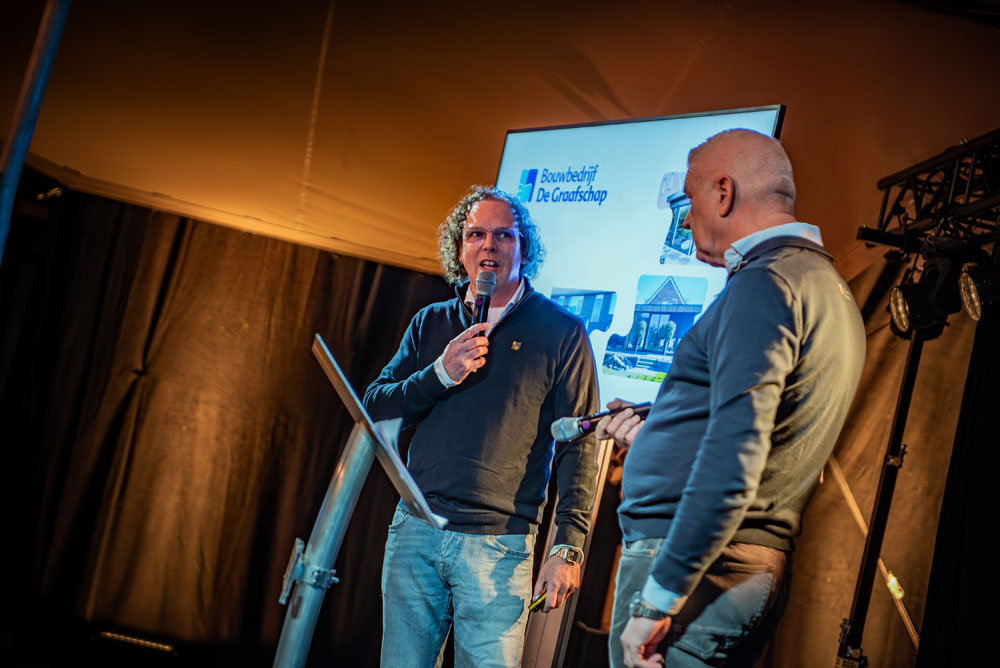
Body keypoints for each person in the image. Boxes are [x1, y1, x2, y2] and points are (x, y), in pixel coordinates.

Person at [599, 129, 866, 668]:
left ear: (723, 192)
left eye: (688, 200)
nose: (685, 221)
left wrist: (658, 599)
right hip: (735, 567)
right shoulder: (820, 284)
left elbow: (734, 458)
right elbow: (767, 431)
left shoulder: (765, 284)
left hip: (703, 573)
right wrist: (660, 432)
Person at [363, 185, 600, 668]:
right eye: (476, 235)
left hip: (500, 547)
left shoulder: (562, 332)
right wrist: (439, 373)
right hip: (416, 532)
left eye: (503, 235)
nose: (489, 245)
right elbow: (375, 406)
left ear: (524, 248)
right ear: (460, 249)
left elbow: (579, 445)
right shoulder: (431, 322)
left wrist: (568, 546)